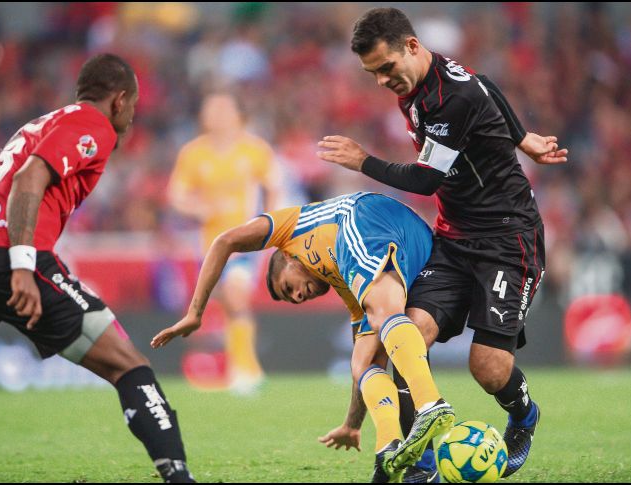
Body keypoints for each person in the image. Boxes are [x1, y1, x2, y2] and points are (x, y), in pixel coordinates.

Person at [317, 7, 568, 479]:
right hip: (453, 238)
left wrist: (362, 161)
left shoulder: (451, 97)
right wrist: (523, 137)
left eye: (386, 68)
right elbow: (487, 83)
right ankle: (421, 465)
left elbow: (427, 179)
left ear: (411, 46)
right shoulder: (427, 78)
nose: (381, 81)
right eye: (372, 74)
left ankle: (524, 415)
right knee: (407, 335)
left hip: (507, 238)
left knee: (489, 369)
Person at [0, 54, 195, 483]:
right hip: (8, 253)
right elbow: (29, 178)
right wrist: (21, 266)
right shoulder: (93, 124)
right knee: (128, 365)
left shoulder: (46, 122)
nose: (131, 116)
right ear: (120, 100)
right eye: (134, 106)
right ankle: (179, 477)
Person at [151, 192, 455, 483]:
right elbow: (362, 366)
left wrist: (195, 313)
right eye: (294, 299)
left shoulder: (290, 229)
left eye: (288, 287)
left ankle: (430, 403)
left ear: (287, 259)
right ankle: (387, 448)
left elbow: (224, 241)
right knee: (363, 361)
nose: (298, 296)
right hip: (418, 244)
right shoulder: (349, 283)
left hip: (363, 216)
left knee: (382, 313)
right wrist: (351, 425)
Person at [167, 93, 279, 394]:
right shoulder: (193, 153)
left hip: (246, 239)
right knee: (229, 303)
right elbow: (177, 195)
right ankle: (244, 367)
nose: (217, 115)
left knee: (235, 294)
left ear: (236, 114)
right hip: (210, 244)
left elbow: (273, 186)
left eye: (223, 109)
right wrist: (198, 208)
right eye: (211, 109)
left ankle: (245, 371)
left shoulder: (255, 150)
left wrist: (270, 226)